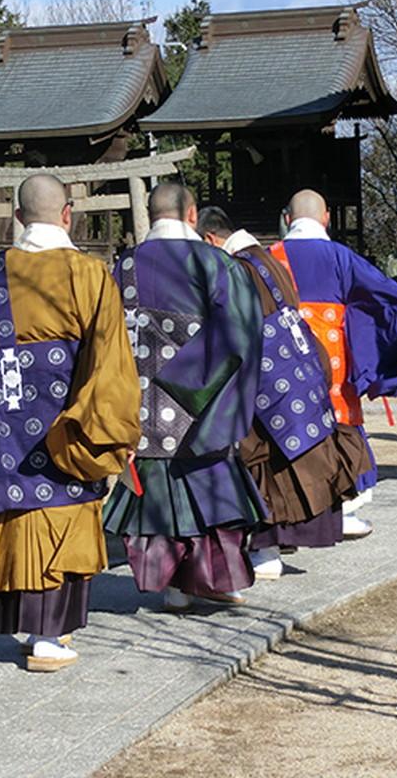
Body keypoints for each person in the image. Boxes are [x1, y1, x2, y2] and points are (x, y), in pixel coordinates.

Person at [0, 175, 140, 672]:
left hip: (1, 425)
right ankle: (49, 634)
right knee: (63, 515)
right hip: (67, 424)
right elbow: (110, 361)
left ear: (16, 217)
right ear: (67, 214)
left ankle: (21, 621)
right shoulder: (89, 273)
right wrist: (112, 428)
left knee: (17, 513)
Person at [103, 182, 266, 611]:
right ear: (192, 215)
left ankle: (171, 586)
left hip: (138, 408)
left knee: (157, 505)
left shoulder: (122, 266)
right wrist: (196, 385)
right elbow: (242, 336)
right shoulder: (216, 264)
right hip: (202, 411)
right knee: (207, 495)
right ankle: (212, 580)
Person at [197, 206, 373, 580]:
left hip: (263, 374)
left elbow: (232, 326)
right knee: (293, 454)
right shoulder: (266, 258)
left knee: (264, 458)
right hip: (299, 365)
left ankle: (267, 553)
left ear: (211, 239)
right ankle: (275, 547)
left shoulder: (237, 268)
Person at [268, 189, 397, 537]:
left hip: (280, 368)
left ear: (287, 219)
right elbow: (385, 297)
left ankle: (285, 519)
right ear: (326, 217)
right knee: (338, 433)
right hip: (333, 366)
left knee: (281, 434)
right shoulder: (340, 257)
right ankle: (342, 509)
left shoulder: (269, 257)